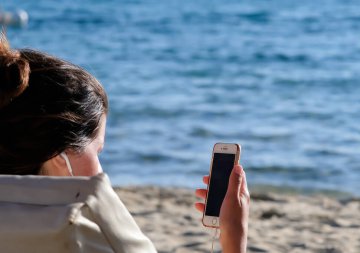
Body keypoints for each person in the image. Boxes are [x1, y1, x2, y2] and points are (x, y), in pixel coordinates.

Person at [0, 35, 250, 252]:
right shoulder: (82, 237)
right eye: (97, 151)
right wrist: (234, 240)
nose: (101, 169)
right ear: (60, 156)